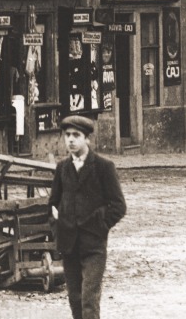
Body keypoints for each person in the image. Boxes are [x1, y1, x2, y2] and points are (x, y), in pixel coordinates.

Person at [50, 114, 125, 319]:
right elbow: (52, 204)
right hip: (69, 245)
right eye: (67, 135)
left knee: (89, 299)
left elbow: (118, 206)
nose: (71, 140)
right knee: (75, 298)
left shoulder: (103, 167)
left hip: (93, 247)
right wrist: (59, 229)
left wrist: (98, 226)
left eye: (76, 135)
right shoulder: (62, 168)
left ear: (87, 139)